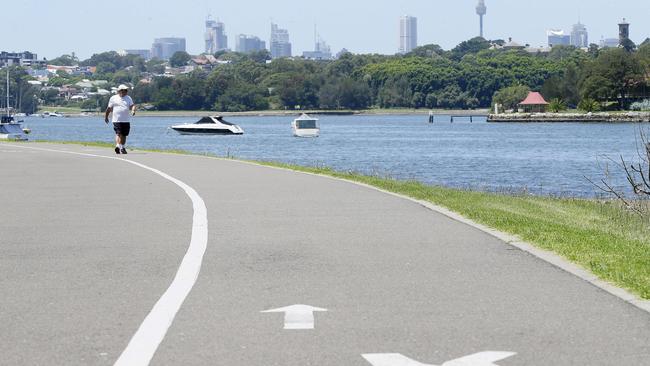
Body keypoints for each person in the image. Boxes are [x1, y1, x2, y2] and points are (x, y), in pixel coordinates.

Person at [105, 84, 136, 154]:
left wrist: (133, 110)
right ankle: (118, 146)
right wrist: (106, 116)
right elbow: (109, 108)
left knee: (124, 135)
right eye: (124, 90)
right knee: (119, 133)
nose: (125, 92)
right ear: (119, 91)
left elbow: (132, 105)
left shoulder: (128, 98)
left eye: (126, 90)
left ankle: (122, 147)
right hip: (116, 120)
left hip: (126, 120)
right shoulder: (113, 98)